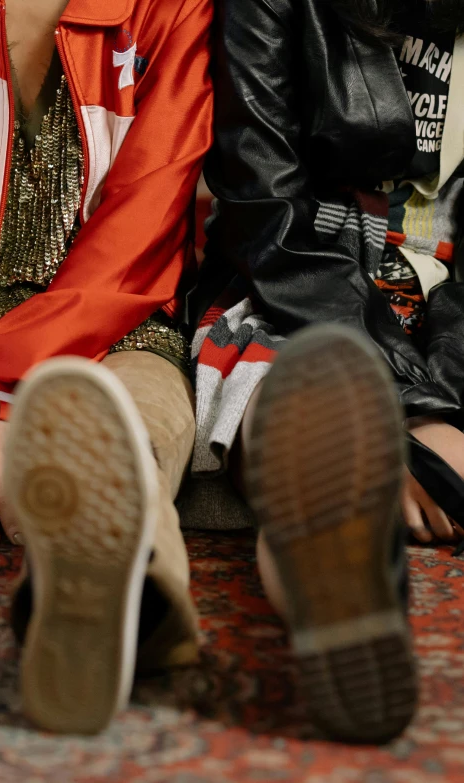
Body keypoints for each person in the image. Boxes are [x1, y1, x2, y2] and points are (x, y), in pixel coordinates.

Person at [185, 0, 464, 744]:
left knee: (423, 455)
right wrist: (389, 399)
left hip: (443, 315)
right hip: (301, 287)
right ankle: (337, 580)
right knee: (304, 417)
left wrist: (440, 397)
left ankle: (350, 561)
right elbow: (261, 207)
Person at [0, 0, 212, 733]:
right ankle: (123, 605)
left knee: (125, 426)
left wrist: (15, 395)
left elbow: (139, 238)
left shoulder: (170, 9)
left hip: (115, 334)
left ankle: (128, 585)